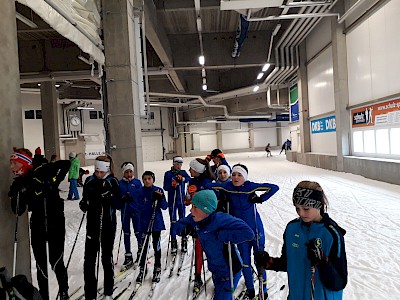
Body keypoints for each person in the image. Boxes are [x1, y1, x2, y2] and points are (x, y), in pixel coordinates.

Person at [255, 181, 348, 300]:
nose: (301, 213)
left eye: (306, 208)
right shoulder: (292, 229)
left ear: (319, 205)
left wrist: (322, 262)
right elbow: (288, 262)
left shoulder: (331, 234)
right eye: (297, 208)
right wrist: (268, 261)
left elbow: (339, 282)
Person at [9, 147, 71, 300]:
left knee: (56, 261)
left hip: (55, 221)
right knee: (40, 265)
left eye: (14, 164)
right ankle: (44, 296)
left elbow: (65, 164)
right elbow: (18, 210)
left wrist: (51, 182)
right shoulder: (19, 183)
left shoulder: (43, 170)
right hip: (37, 224)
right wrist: (21, 191)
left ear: (23, 163)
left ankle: (64, 292)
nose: (11, 168)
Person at [212, 164, 279, 299]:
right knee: (245, 262)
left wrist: (260, 198)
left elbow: (274, 187)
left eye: (239, 175)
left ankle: (263, 290)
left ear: (245, 177)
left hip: (255, 228)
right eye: (234, 174)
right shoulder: (228, 187)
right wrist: (221, 197)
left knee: (260, 260)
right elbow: (210, 187)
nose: (236, 177)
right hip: (240, 231)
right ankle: (250, 289)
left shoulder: (250, 186)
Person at [177, 190, 255, 300]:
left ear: (206, 209)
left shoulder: (221, 219)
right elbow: (178, 224)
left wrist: (224, 234)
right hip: (215, 269)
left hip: (230, 271)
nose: (191, 210)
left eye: (195, 207)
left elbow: (248, 233)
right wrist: (184, 229)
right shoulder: (195, 218)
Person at [79, 155, 120, 300]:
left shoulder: (112, 181)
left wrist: (110, 198)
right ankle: (90, 293)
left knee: (106, 258)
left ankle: (108, 291)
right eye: (96, 171)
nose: (98, 174)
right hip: (92, 225)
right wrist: (83, 204)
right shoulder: (89, 180)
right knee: (89, 260)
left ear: (107, 170)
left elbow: (119, 204)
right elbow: (84, 199)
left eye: (101, 172)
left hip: (108, 225)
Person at [185, 158, 215, 292]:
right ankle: (197, 277)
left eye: (191, 168)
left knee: (213, 252)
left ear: (198, 170)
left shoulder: (209, 183)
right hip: (196, 220)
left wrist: (197, 195)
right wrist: (189, 196)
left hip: (209, 222)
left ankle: (217, 276)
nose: (189, 170)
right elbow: (187, 202)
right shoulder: (191, 181)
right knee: (198, 250)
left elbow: (212, 204)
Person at [135, 171, 168, 284]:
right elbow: (138, 206)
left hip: (156, 224)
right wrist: (149, 201)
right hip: (144, 223)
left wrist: (160, 199)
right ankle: (142, 268)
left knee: (156, 246)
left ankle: (157, 268)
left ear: (153, 179)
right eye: (145, 179)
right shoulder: (140, 191)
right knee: (143, 247)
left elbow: (164, 207)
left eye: (149, 178)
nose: (147, 181)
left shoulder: (158, 190)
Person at [117, 162, 143, 270]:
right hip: (125, 211)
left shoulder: (137, 182)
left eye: (130, 171)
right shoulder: (120, 183)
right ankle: (128, 256)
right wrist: (122, 199)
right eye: (127, 172)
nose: (129, 174)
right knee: (126, 233)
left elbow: (141, 195)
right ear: (123, 173)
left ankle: (141, 252)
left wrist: (133, 197)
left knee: (138, 232)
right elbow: (117, 198)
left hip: (135, 211)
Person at [163, 156, 190, 255]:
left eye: (180, 164)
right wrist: (171, 185)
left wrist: (182, 179)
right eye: (177, 164)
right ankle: (173, 241)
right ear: (173, 164)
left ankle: (183, 239)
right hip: (172, 201)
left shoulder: (182, 172)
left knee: (182, 220)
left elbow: (188, 179)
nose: (178, 166)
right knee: (173, 221)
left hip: (181, 201)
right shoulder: (168, 174)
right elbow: (165, 187)